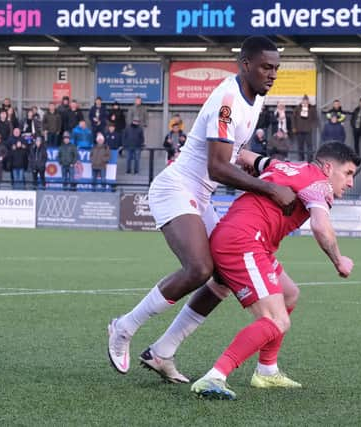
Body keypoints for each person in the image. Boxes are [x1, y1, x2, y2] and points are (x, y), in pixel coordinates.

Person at [107, 36, 297, 379]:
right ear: (245, 65)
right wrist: (270, 188)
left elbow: (234, 152)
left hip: (200, 194)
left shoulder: (253, 100)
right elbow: (218, 167)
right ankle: (123, 327)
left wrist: (268, 164)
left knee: (224, 277)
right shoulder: (228, 102)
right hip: (176, 188)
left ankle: (162, 352)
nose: (272, 75)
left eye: (276, 68)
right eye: (266, 67)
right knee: (198, 268)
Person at [190, 142, 360, 400]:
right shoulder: (319, 185)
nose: (351, 183)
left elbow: (243, 155)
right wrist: (339, 261)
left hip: (252, 241)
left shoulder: (286, 166)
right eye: (348, 173)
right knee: (277, 319)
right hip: (243, 242)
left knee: (289, 294)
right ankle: (214, 376)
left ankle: (267, 371)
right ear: (327, 168)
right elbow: (321, 228)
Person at [291, 95, 318, 161]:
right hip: (299, 130)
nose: (305, 102)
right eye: (304, 101)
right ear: (302, 101)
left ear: (308, 101)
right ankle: (301, 159)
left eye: (306, 101)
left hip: (308, 130)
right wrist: (294, 127)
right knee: (300, 146)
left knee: (309, 146)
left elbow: (315, 118)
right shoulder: (297, 108)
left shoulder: (312, 108)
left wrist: (313, 125)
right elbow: (293, 118)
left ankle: (310, 159)